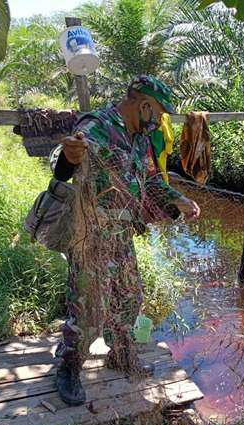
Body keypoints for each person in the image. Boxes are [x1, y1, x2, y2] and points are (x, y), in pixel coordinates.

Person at [50, 75, 201, 405]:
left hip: (121, 236)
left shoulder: (140, 139)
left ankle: (120, 355)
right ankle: (69, 367)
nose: (159, 121)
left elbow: (149, 179)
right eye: (159, 113)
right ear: (144, 105)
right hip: (90, 234)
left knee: (130, 297)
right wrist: (70, 155)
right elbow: (66, 160)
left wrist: (178, 200)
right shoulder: (98, 124)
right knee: (88, 305)